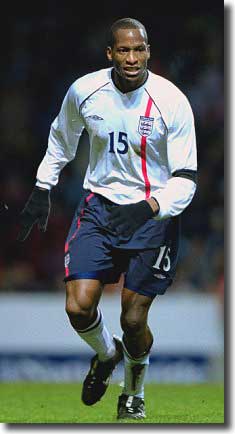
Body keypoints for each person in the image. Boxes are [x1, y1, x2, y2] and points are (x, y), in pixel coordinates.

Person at [17, 17, 197, 420]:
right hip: (99, 209)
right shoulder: (85, 90)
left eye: (139, 49)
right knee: (78, 308)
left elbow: (186, 180)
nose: (132, 58)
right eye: (124, 50)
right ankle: (106, 353)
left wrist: (149, 209)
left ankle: (134, 392)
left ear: (149, 51)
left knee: (133, 317)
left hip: (153, 215)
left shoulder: (172, 101)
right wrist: (42, 187)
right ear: (110, 53)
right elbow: (62, 137)